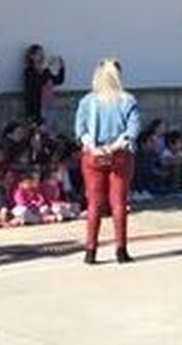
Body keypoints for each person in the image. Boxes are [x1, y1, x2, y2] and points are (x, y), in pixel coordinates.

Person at [75, 59, 141, 265]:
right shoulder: (127, 100)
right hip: (120, 154)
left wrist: (94, 148)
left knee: (94, 202)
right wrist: (114, 146)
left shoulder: (87, 101)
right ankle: (121, 250)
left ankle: (90, 250)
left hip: (93, 154)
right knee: (119, 202)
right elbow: (132, 130)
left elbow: (80, 130)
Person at [22, 43, 66, 127]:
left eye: (41, 54)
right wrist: (46, 69)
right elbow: (38, 83)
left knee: (49, 129)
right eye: (38, 54)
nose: (41, 56)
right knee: (37, 129)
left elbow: (58, 80)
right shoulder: (29, 71)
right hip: (36, 107)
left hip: (48, 104)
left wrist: (61, 68)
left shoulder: (46, 71)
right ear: (31, 56)